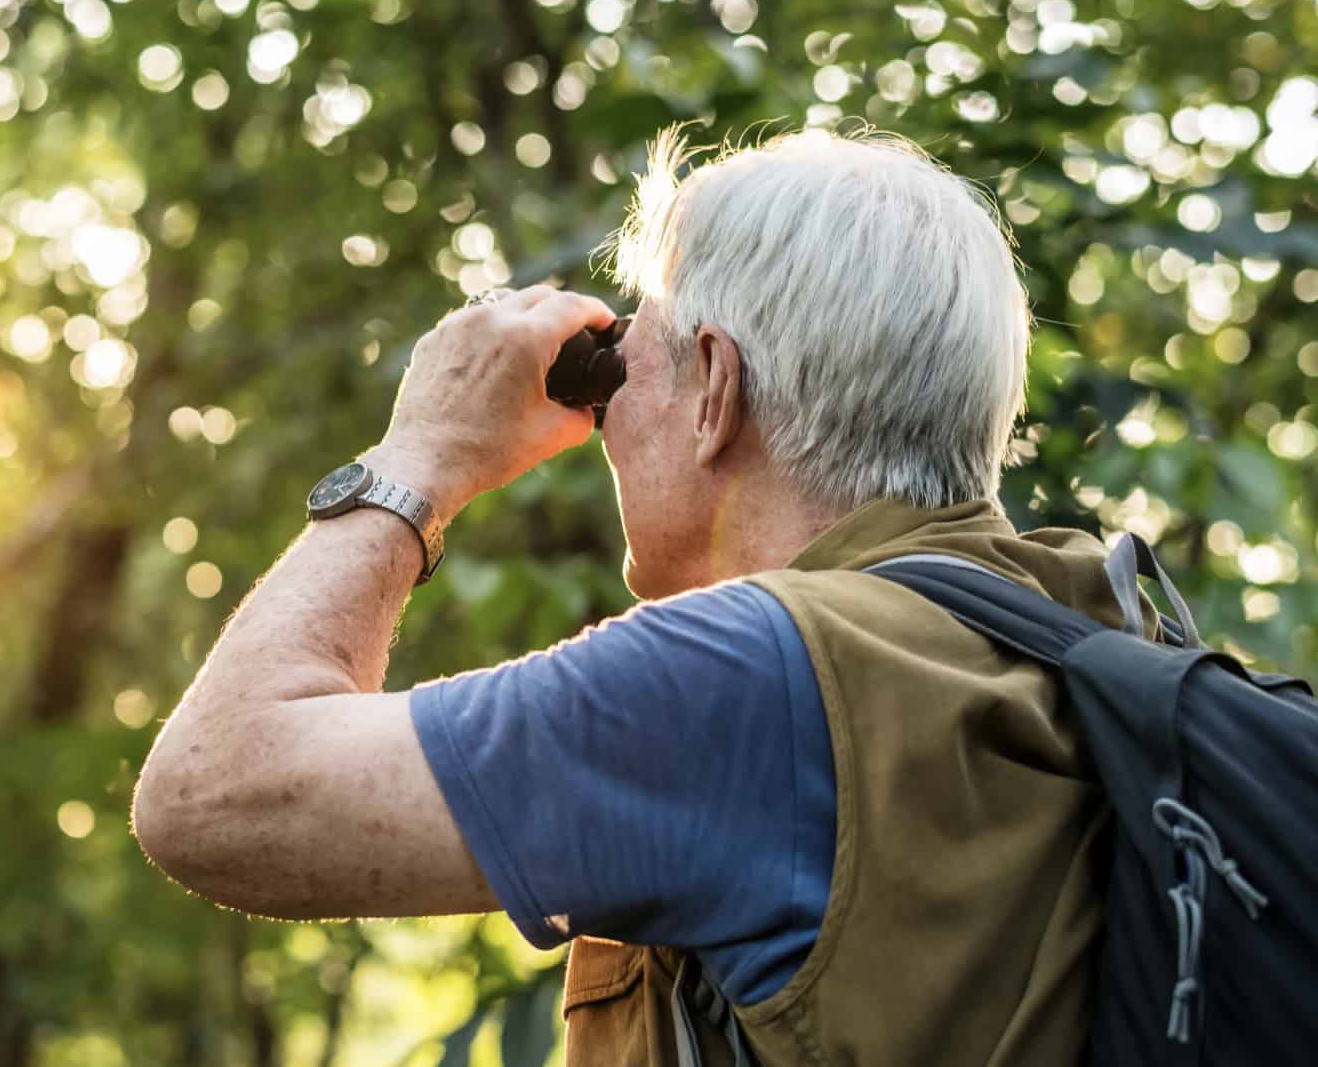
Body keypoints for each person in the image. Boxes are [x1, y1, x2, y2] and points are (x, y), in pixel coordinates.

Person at [132, 127, 1133, 1066]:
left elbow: (211, 795)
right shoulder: (1087, 625)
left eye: (621, 365)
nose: (604, 420)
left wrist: (420, 455)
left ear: (713, 388)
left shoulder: (754, 679)